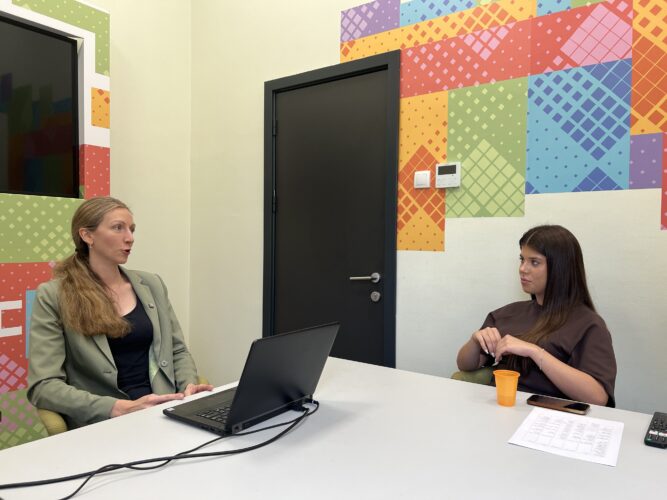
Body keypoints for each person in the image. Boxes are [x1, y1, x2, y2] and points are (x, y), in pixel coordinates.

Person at [27, 196, 213, 428]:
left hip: (164, 411)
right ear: (87, 236)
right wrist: (116, 408)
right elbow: (44, 386)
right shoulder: (54, 295)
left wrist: (188, 386)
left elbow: (177, 350)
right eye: (118, 228)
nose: (130, 238)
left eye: (131, 229)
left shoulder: (152, 284)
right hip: (104, 422)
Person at [456, 225, 616, 407]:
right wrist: (475, 341)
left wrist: (534, 352)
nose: (522, 269)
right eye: (522, 259)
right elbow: (465, 365)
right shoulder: (506, 314)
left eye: (534, 262)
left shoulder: (588, 325)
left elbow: (597, 397)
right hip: (499, 409)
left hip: (548, 417)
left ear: (560, 268)